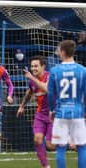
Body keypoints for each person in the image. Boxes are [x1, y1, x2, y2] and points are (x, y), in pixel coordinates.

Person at [48, 40, 86, 168]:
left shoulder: (54, 71)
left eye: (59, 50)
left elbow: (51, 94)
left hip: (61, 113)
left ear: (63, 52)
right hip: (78, 113)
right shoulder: (83, 70)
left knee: (60, 147)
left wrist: (51, 110)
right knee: (81, 147)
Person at [17, 55, 55, 168]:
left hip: (54, 114)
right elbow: (29, 93)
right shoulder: (32, 81)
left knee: (51, 146)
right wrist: (22, 106)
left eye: (36, 66)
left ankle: (68, 137)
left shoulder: (50, 77)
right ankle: (46, 166)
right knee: (37, 140)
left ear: (43, 66)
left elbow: (47, 89)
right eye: (32, 66)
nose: (33, 68)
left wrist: (31, 78)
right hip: (40, 115)